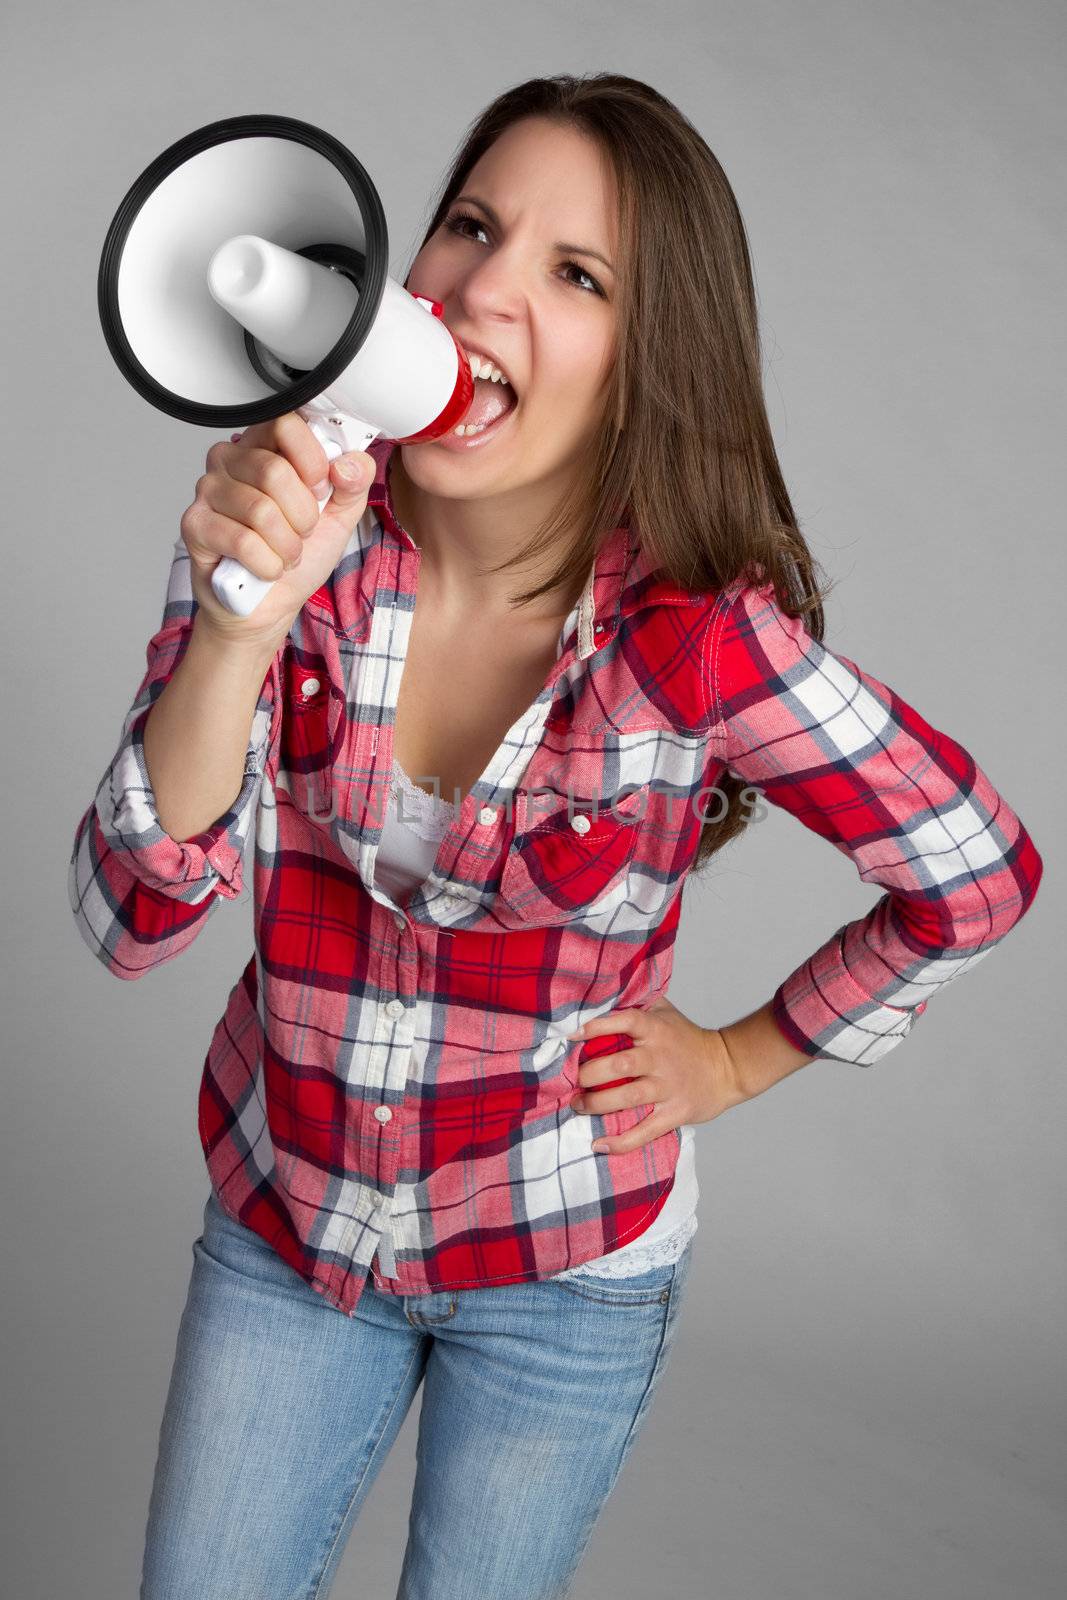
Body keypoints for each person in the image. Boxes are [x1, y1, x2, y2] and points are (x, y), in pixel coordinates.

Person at [67, 73, 1043, 1600]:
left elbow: (977, 873)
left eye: (576, 275)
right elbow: (127, 920)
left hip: (561, 1269)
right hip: (289, 1220)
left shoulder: (696, 644)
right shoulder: (288, 532)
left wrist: (739, 1056)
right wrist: (237, 633)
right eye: (469, 225)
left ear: (648, 362)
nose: (484, 291)